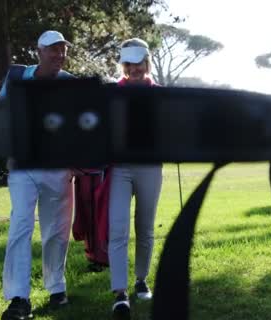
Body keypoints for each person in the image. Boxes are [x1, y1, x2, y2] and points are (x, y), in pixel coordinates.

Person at [0, 30, 75, 320]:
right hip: (23, 166)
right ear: (39, 51)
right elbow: (4, 116)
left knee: (56, 230)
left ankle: (56, 287)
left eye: (63, 50)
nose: (58, 55)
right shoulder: (17, 77)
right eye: (52, 50)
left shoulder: (70, 84)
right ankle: (19, 299)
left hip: (57, 167)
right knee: (20, 224)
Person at [109, 38, 163, 320]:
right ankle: (120, 293)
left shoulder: (159, 94)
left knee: (145, 228)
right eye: (128, 64)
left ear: (147, 63)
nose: (134, 69)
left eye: (138, 63)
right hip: (120, 168)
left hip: (150, 167)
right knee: (117, 228)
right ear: (124, 65)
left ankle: (141, 279)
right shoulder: (113, 93)